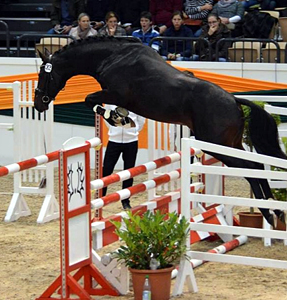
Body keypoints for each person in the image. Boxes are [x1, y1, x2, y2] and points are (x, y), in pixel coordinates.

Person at [101, 105, 145, 210]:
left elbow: (141, 120)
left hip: (131, 141)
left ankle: (125, 200)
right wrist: (113, 129)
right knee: (106, 169)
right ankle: (101, 198)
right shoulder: (111, 101)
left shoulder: (134, 100)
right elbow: (107, 117)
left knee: (129, 172)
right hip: (113, 141)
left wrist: (133, 130)